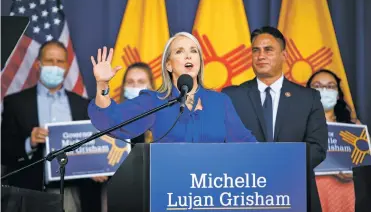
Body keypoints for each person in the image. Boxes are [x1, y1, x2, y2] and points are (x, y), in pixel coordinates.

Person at [221, 26, 328, 212]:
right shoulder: (231, 96)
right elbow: (222, 144)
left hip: (295, 192)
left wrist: (277, 167)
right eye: (256, 50)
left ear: (284, 56)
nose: (261, 55)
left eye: (268, 50)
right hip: (245, 192)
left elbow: (317, 147)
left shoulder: (308, 98)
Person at [88, 32, 257, 144]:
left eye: (194, 51)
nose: (188, 55)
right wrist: (102, 84)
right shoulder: (154, 101)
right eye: (179, 52)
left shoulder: (220, 102)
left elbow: (246, 144)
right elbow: (111, 120)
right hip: (170, 192)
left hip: (211, 187)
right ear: (168, 65)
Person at [1, 40, 105, 212]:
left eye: (60, 62)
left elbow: (93, 145)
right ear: (38, 64)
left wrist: (95, 167)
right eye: (49, 61)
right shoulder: (15, 103)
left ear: (66, 66)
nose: (55, 66)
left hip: (74, 192)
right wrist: (30, 142)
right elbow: (4, 151)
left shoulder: (84, 105)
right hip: (30, 191)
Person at [306, 69, 361, 212]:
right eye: (317, 86)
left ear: (338, 95)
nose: (324, 90)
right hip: (310, 194)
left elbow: (365, 165)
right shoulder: (295, 126)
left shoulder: (354, 127)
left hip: (345, 193)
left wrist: (354, 173)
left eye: (330, 86)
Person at [119, 62, 155, 145]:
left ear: (150, 86)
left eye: (141, 82)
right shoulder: (115, 118)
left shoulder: (163, 115)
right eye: (130, 82)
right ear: (124, 86)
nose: (135, 86)